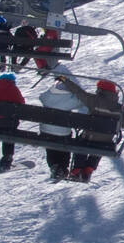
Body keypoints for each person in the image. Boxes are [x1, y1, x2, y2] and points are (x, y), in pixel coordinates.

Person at [35, 35, 86, 181]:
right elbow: (81, 102)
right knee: (63, 148)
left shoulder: (48, 96)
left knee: (51, 148)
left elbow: (41, 98)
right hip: (62, 134)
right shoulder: (70, 99)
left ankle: (55, 167)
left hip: (46, 132)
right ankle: (62, 168)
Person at [64, 79, 124, 182]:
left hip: (88, 139)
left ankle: (77, 170)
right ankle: (88, 170)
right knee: (102, 143)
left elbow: (79, 92)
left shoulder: (94, 100)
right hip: (105, 143)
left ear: (101, 90)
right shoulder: (120, 108)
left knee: (82, 142)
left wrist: (65, 81)